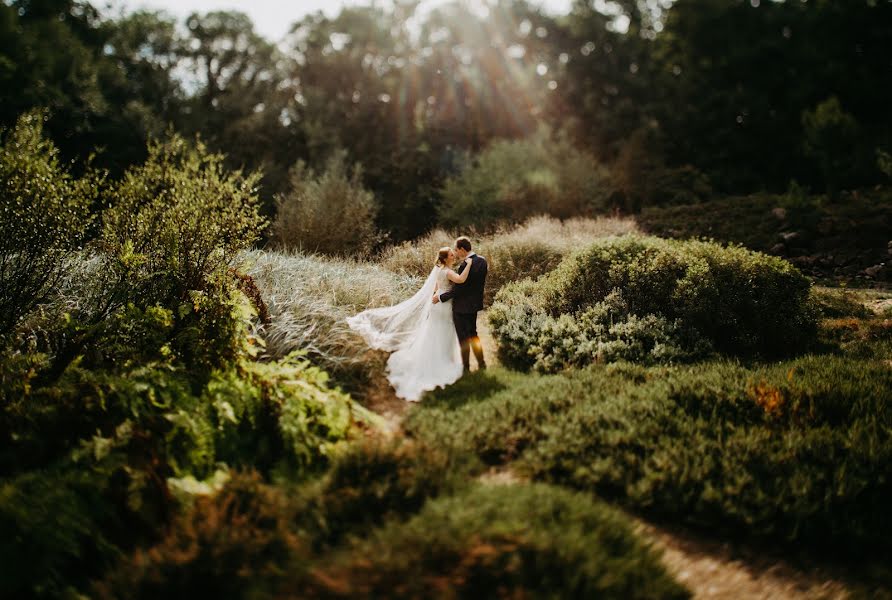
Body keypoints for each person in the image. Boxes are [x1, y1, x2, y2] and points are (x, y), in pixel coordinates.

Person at [346, 246, 474, 401]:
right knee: (444, 331)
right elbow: (461, 280)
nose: (454, 256)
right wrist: (468, 265)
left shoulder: (439, 271)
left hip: (438, 305)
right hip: (444, 306)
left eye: (453, 254)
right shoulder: (447, 271)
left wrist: (436, 298)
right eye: (451, 255)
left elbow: (435, 288)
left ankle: (438, 359)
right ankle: (442, 362)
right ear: (445, 258)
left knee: (434, 331)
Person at [433, 236, 488, 373]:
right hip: (474, 306)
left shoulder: (465, 265)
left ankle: (466, 368)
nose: (456, 253)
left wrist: (441, 297)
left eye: (457, 250)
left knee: (463, 339)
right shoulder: (482, 261)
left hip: (460, 308)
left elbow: (459, 289)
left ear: (463, 249)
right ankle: (482, 363)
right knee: (474, 335)